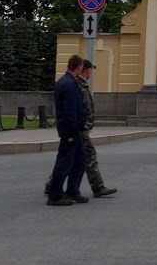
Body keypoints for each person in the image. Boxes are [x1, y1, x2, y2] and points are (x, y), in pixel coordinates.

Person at [45, 58, 117, 199]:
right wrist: (77, 129)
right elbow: (72, 109)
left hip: (76, 129)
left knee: (74, 159)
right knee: (74, 158)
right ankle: (93, 188)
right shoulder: (72, 84)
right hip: (75, 129)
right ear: (81, 68)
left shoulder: (72, 83)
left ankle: (66, 189)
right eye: (88, 69)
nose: (90, 72)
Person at [46, 54, 88, 206]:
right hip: (71, 131)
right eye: (82, 67)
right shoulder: (69, 84)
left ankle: (72, 190)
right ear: (78, 67)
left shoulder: (64, 81)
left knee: (80, 160)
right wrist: (75, 129)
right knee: (65, 162)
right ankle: (55, 195)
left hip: (70, 129)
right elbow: (70, 110)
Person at [77, 59, 117, 198]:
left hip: (81, 128)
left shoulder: (81, 84)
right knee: (89, 155)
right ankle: (98, 187)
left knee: (70, 158)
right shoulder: (77, 85)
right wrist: (85, 126)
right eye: (90, 70)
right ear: (85, 69)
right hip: (80, 129)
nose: (91, 73)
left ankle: (51, 184)